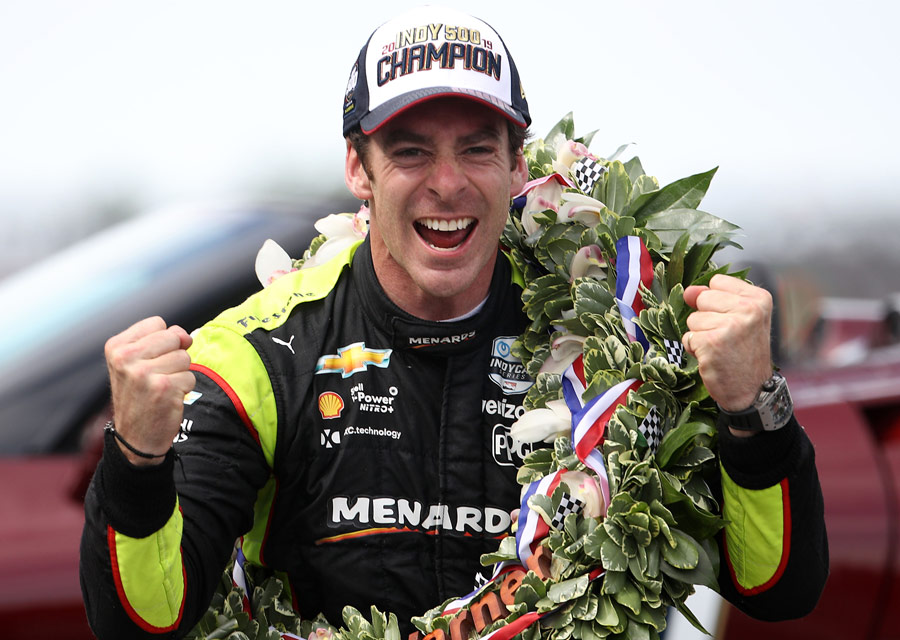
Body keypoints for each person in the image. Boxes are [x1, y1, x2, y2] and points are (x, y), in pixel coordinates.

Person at [79, 6, 828, 639]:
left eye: (476, 149)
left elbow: (778, 589)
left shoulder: (622, 333)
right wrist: (136, 460)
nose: (447, 183)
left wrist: (752, 407)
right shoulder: (263, 351)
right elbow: (146, 619)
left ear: (517, 166)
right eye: (410, 152)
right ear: (357, 168)